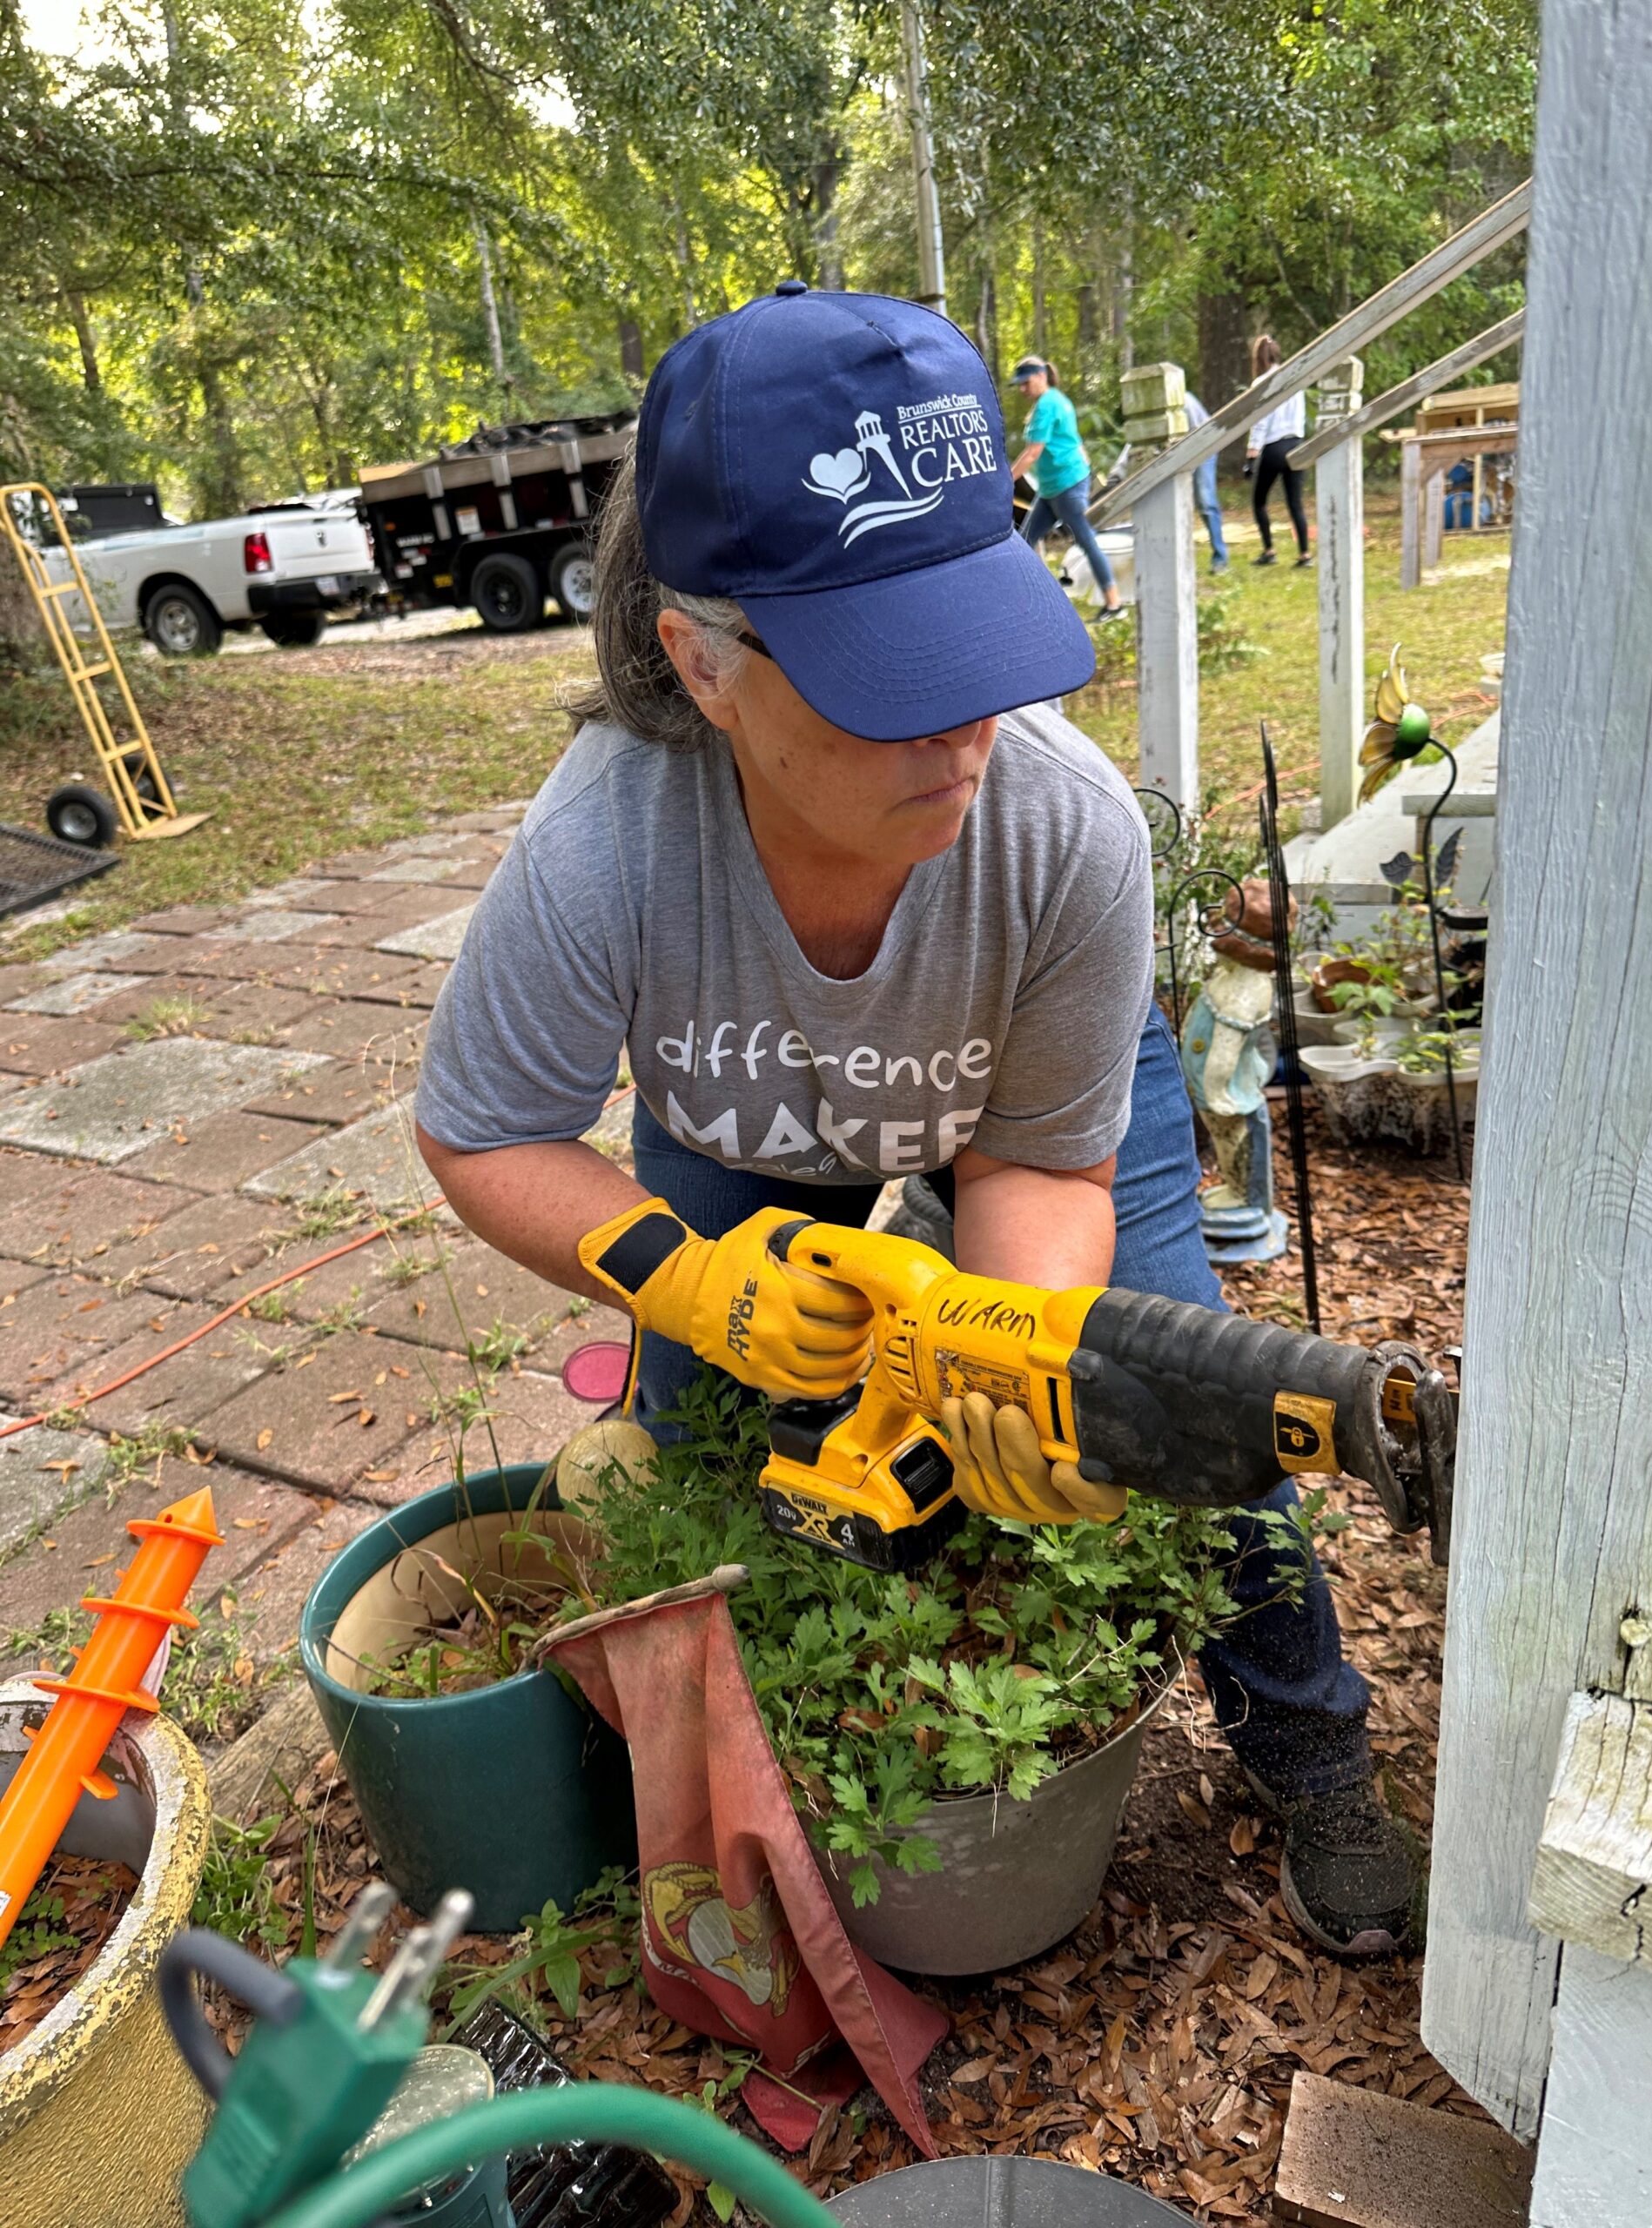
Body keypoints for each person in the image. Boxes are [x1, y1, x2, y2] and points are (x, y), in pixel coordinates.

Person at [414, 281, 1416, 1959]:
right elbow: (484, 1132)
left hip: (1019, 1095)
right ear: (702, 660)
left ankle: (1311, 1743)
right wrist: (680, 1277)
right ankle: (792, 1785)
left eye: (978, 642)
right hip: (739, 1140)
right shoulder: (605, 851)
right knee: (723, 1444)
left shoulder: (1062, 827)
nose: (965, 724)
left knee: (1161, 1385)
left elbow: (1038, 1157)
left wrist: (1009, 1338)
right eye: (892, 677)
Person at [1009, 356, 1125, 622]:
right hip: (1051, 489)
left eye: (1026, 383)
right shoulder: (1054, 400)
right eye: (1020, 385)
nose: (1022, 389)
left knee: (1086, 541)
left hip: (1066, 486)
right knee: (1024, 541)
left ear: (1041, 376)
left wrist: (1006, 482)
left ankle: (1114, 604)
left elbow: (1032, 453)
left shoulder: (1048, 404)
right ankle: (1033, 601)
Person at [1245, 335, 1311, 567]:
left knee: (1259, 500)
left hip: (1274, 447)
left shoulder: (1261, 383)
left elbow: (1260, 422)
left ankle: (1269, 550)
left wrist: (1251, 455)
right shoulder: (1295, 380)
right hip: (1296, 442)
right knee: (1295, 502)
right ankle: (1305, 554)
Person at [1185, 388, 1230, 572]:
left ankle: (1220, 558)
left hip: (1204, 447)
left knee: (1206, 502)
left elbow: (1200, 436)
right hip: (1184, 452)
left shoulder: (1185, 403)